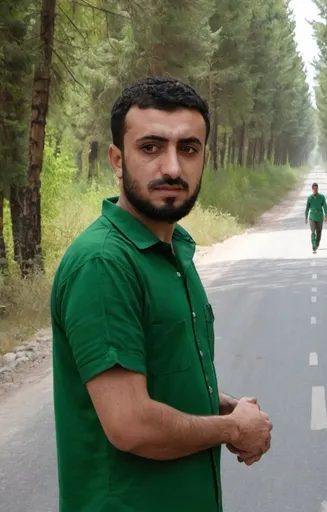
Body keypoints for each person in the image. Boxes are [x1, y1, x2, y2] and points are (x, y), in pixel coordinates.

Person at [50, 76, 273, 512]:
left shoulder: (174, 251)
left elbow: (155, 375)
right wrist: (231, 430)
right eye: (151, 147)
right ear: (117, 159)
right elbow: (131, 424)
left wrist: (221, 406)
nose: (172, 167)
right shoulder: (103, 263)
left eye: (188, 148)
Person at [305, 182, 327, 253]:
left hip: (320, 218)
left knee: (319, 232)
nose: (315, 190)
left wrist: (326, 215)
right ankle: (313, 244)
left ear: (318, 188)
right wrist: (306, 217)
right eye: (314, 188)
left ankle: (317, 243)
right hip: (312, 217)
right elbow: (307, 208)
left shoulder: (322, 197)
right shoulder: (309, 198)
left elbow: (325, 206)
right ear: (312, 189)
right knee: (313, 232)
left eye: (316, 188)